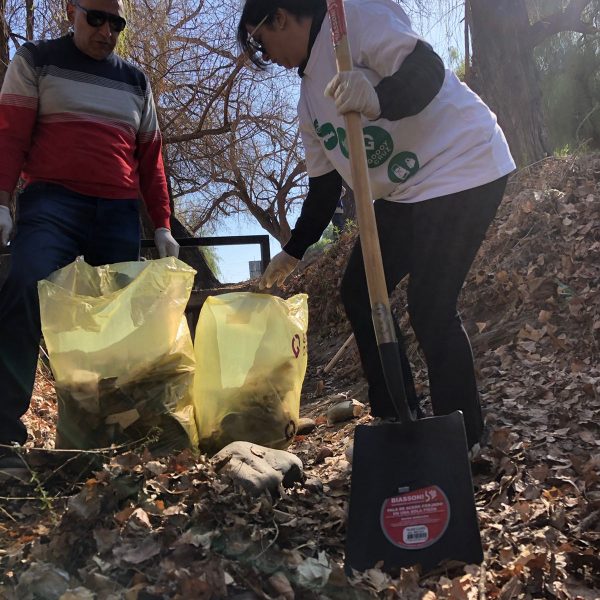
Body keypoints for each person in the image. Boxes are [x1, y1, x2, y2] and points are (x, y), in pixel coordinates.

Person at [238, 0, 515, 455]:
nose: (267, 57)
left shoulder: (351, 21)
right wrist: (294, 249)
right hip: (405, 193)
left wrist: (378, 97)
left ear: (279, 17)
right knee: (360, 291)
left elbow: (426, 69)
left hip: (463, 163)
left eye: (261, 43)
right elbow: (324, 190)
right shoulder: (309, 102)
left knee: (430, 305)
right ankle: (397, 417)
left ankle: (463, 440)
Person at [0, 0, 179, 479]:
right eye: (95, 19)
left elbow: (151, 159)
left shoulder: (136, 82)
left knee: (118, 321)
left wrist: (162, 223)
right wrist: (2, 200)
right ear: (70, 12)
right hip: (51, 203)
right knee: (25, 288)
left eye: (116, 23)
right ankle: (3, 437)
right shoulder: (37, 61)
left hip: (118, 211)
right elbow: (10, 134)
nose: (106, 31)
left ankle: (110, 436)